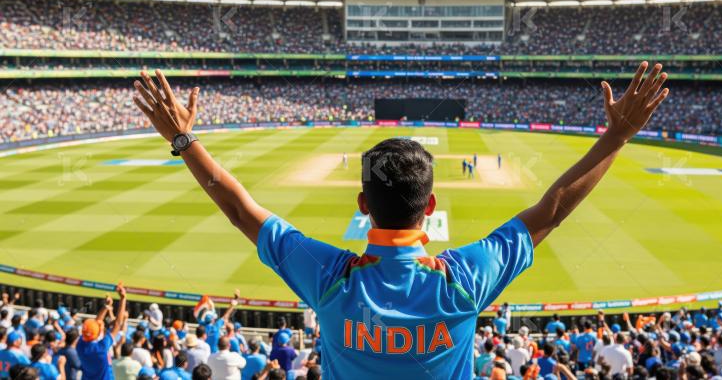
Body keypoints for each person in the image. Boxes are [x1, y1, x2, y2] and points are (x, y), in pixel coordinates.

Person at [131, 63, 670, 378]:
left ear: (362, 205)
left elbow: (239, 209)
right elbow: (552, 209)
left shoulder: (331, 278)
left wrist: (183, 139)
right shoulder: (463, 280)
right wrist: (617, 135)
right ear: (429, 207)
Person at [77, 284, 127, 380]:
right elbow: (118, 324)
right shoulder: (101, 347)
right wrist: (123, 298)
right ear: (97, 334)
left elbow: (98, 322)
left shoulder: (80, 345)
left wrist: (106, 306)